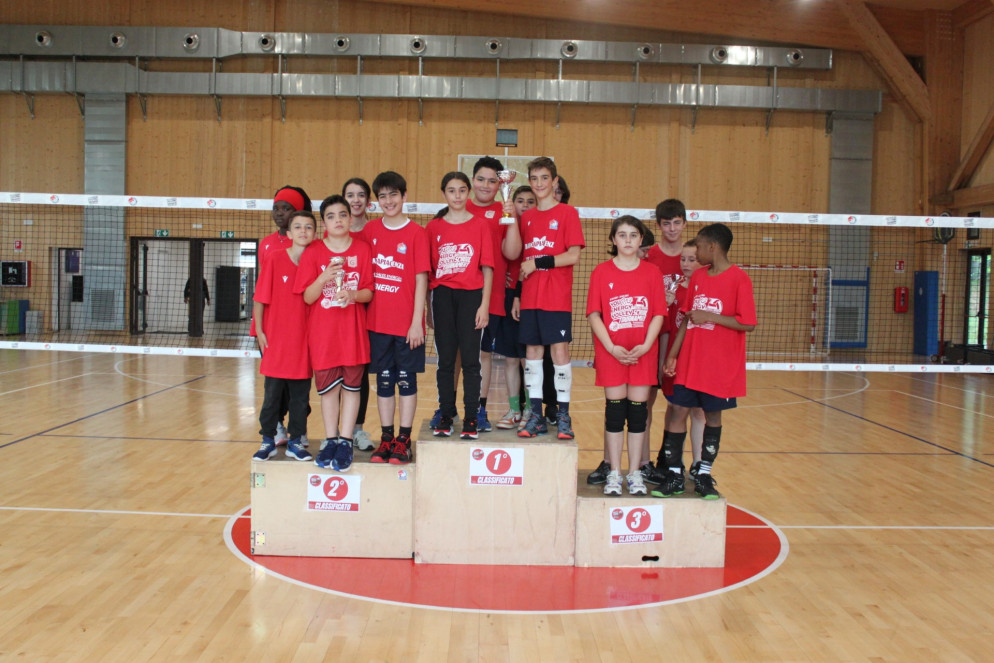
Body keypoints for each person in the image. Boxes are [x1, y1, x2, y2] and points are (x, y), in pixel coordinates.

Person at [588, 198, 687, 485]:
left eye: (633, 235)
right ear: (613, 240)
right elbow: (594, 315)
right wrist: (611, 348)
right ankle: (614, 473)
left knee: (638, 415)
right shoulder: (601, 272)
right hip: (612, 354)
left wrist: (645, 346)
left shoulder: (651, 272)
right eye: (622, 235)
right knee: (615, 414)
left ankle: (634, 473)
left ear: (641, 239)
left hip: (642, 354)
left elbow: (658, 313)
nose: (628, 240)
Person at [657, 222, 757, 499]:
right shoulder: (699, 276)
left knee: (712, 415)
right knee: (677, 410)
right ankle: (675, 475)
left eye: (699, 247)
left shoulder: (739, 279)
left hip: (719, 366)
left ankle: (703, 474)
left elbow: (748, 323)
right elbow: (687, 320)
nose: (696, 252)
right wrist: (673, 354)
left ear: (712, 247)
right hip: (689, 362)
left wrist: (711, 316)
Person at [295, 195, 374, 472]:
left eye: (342, 214)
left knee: (352, 389)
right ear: (323, 222)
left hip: (353, 333)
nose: (338, 220)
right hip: (323, 335)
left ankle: (346, 440)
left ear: (350, 218)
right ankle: (330, 439)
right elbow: (307, 297)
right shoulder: (313, 252)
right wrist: (323, 277)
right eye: (331, 216)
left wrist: (352, 294)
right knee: (328, 391)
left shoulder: (363, 249)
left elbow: (369, 291)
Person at [362, 171, 429, 465]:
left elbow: (421, 279)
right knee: (385, 382)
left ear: (404, 196)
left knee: (406, 380)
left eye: (393, 195)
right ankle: (386, 437)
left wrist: (417, 322)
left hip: (406, 326)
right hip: (377, 324)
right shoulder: (370, 231)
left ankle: (404, 439)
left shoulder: (417, 233)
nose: (388, 201)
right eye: (383, 196)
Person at [516, 157, 585, 439]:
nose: (539, 183)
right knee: (532, 355)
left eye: (544, 178)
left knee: (559, 354)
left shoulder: (568, 213)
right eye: (534, 178)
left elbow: (573, 255)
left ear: (554, 181)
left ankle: (563, 416)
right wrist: (517, 295)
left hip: (556, 297)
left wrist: (539, 263)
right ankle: (536, 416)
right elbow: (521, 260)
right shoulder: (527, 218)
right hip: (530, 297)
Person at [426, 171, 494, 439]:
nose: (457, 196)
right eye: (451, 190)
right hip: (442, 296)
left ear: (468, 193)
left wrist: (484, 305)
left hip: (471, 297)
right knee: (445, 361)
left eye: (462, 190)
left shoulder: (480, 225)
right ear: (444, 193)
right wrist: (428, 307)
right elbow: (428, 273)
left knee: (470, 361)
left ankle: (471, 418)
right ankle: (446, 414)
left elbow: (487, 268)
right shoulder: (433, 227)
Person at [251, 210, 316, 463]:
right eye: (297, 227)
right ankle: (267, 440)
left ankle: (296, 441)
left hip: (304, 342)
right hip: (276, 341)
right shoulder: (275, 258)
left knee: (300, 398)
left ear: (314, 234)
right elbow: (260, 298)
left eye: (308, 227)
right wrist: (259, 330)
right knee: (272, 397)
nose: (303, 231)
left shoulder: (317, 262)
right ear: (288, 233)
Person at [468, 157, 521, 434]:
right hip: (459, 295)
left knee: (483, 355)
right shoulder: (460, 208)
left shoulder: (504, 210)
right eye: (481, 179)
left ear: (500, 185)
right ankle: (449, 409)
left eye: (492, 181)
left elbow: (511, 253)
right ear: (472, 180)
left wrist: (511, 219)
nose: (486, 185)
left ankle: (479, 410)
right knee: (455, 357)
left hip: (491, 295)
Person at [657, 239, 707, 480]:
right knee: (676, 408)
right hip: (676, 360)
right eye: (683, 259)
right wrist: (665, 359)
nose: (686, 264)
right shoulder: (673, 290)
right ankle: (673, 461)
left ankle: (698, 463)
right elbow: (666, 327)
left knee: (699, 411)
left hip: (699, 359)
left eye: (692, 259)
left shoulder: (705, 291)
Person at [342, 177, 376, 453]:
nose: (356, 200)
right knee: (334, 372)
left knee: (360, 371)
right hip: (339, 315)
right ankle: (336, 432)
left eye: (361, 195)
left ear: (368, 201)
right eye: (350, 195)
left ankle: (357, 429)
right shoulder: (332, 235)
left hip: (369, 310)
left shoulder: (375, 232)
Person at [502, 185, 537, 430]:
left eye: (530, 201)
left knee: (528, 360)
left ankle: (530, 410)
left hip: (528, 298)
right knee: (511, 358)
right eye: (520, 201)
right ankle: (514, 409)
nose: (525, 205)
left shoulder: (536, 230)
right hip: (506, 298)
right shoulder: (507, 226)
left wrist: (519, 292)